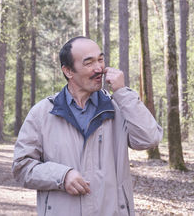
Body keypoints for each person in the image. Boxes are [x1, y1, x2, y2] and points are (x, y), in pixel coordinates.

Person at [12, 36, 163, 216]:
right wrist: (62, 176)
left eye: (100, 59)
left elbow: (149, 138)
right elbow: (22, 167)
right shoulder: (42, 113)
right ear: (68, 71)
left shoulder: (119, 107)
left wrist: (123, 93)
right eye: (89, 63)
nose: (99, 68)